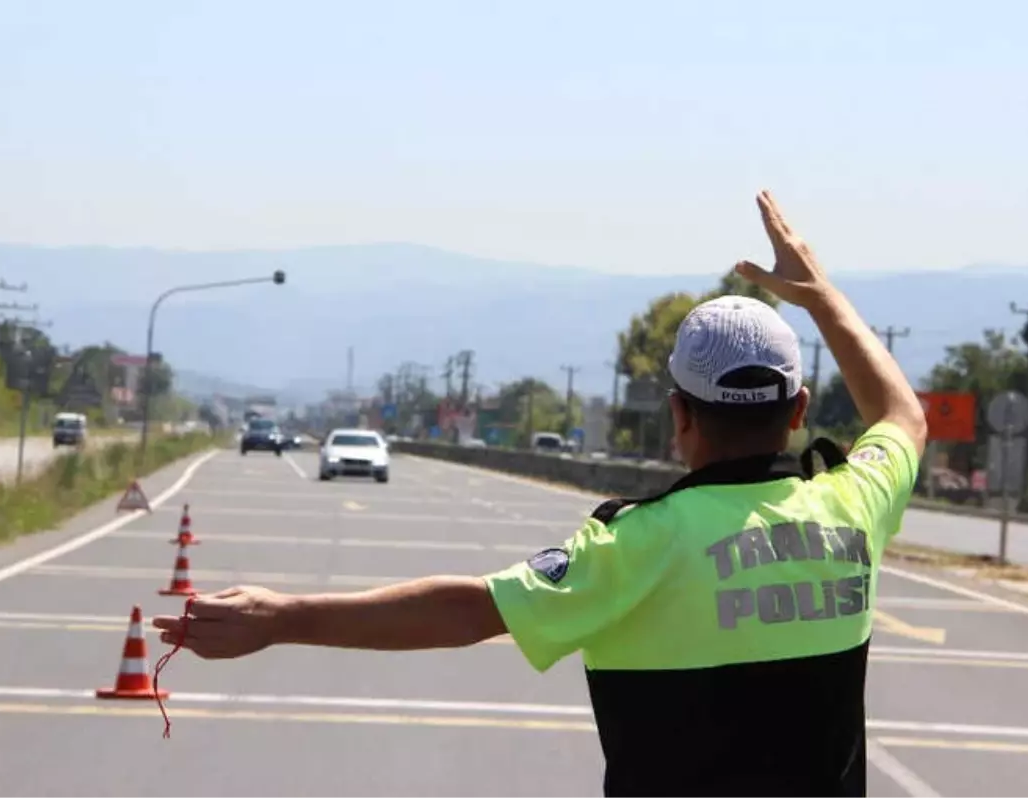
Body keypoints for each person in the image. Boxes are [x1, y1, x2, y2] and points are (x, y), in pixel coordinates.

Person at [154, 190, 927, 797]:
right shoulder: (854, 506)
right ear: (797, 412)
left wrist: (283, 617)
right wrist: (822, 297)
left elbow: (467, 610)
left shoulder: (642, 544)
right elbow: (903, 416)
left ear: (678, 415)